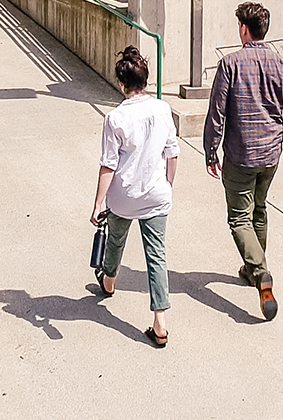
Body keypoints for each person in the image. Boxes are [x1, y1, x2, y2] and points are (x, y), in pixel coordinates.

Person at [203, 2, 283, 320]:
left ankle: (260, 273)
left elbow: (217, 113)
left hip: (241, 155)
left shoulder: (230, 64)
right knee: (259, 209)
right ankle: (251, 270)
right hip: (271, 155)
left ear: (244, 29)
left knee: (239, 220)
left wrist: (210, 151)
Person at [89, 46, 180, 347]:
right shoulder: (163, 109)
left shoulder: (115, 118)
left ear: (122, 84)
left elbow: (109, 164)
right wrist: (167, 184)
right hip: (156, 193)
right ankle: (161, 322)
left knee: (115, 239)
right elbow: (172, 152)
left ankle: (110, 281)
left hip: (124, 196)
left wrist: (98, 203)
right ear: (146, 80)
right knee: (157, 256)